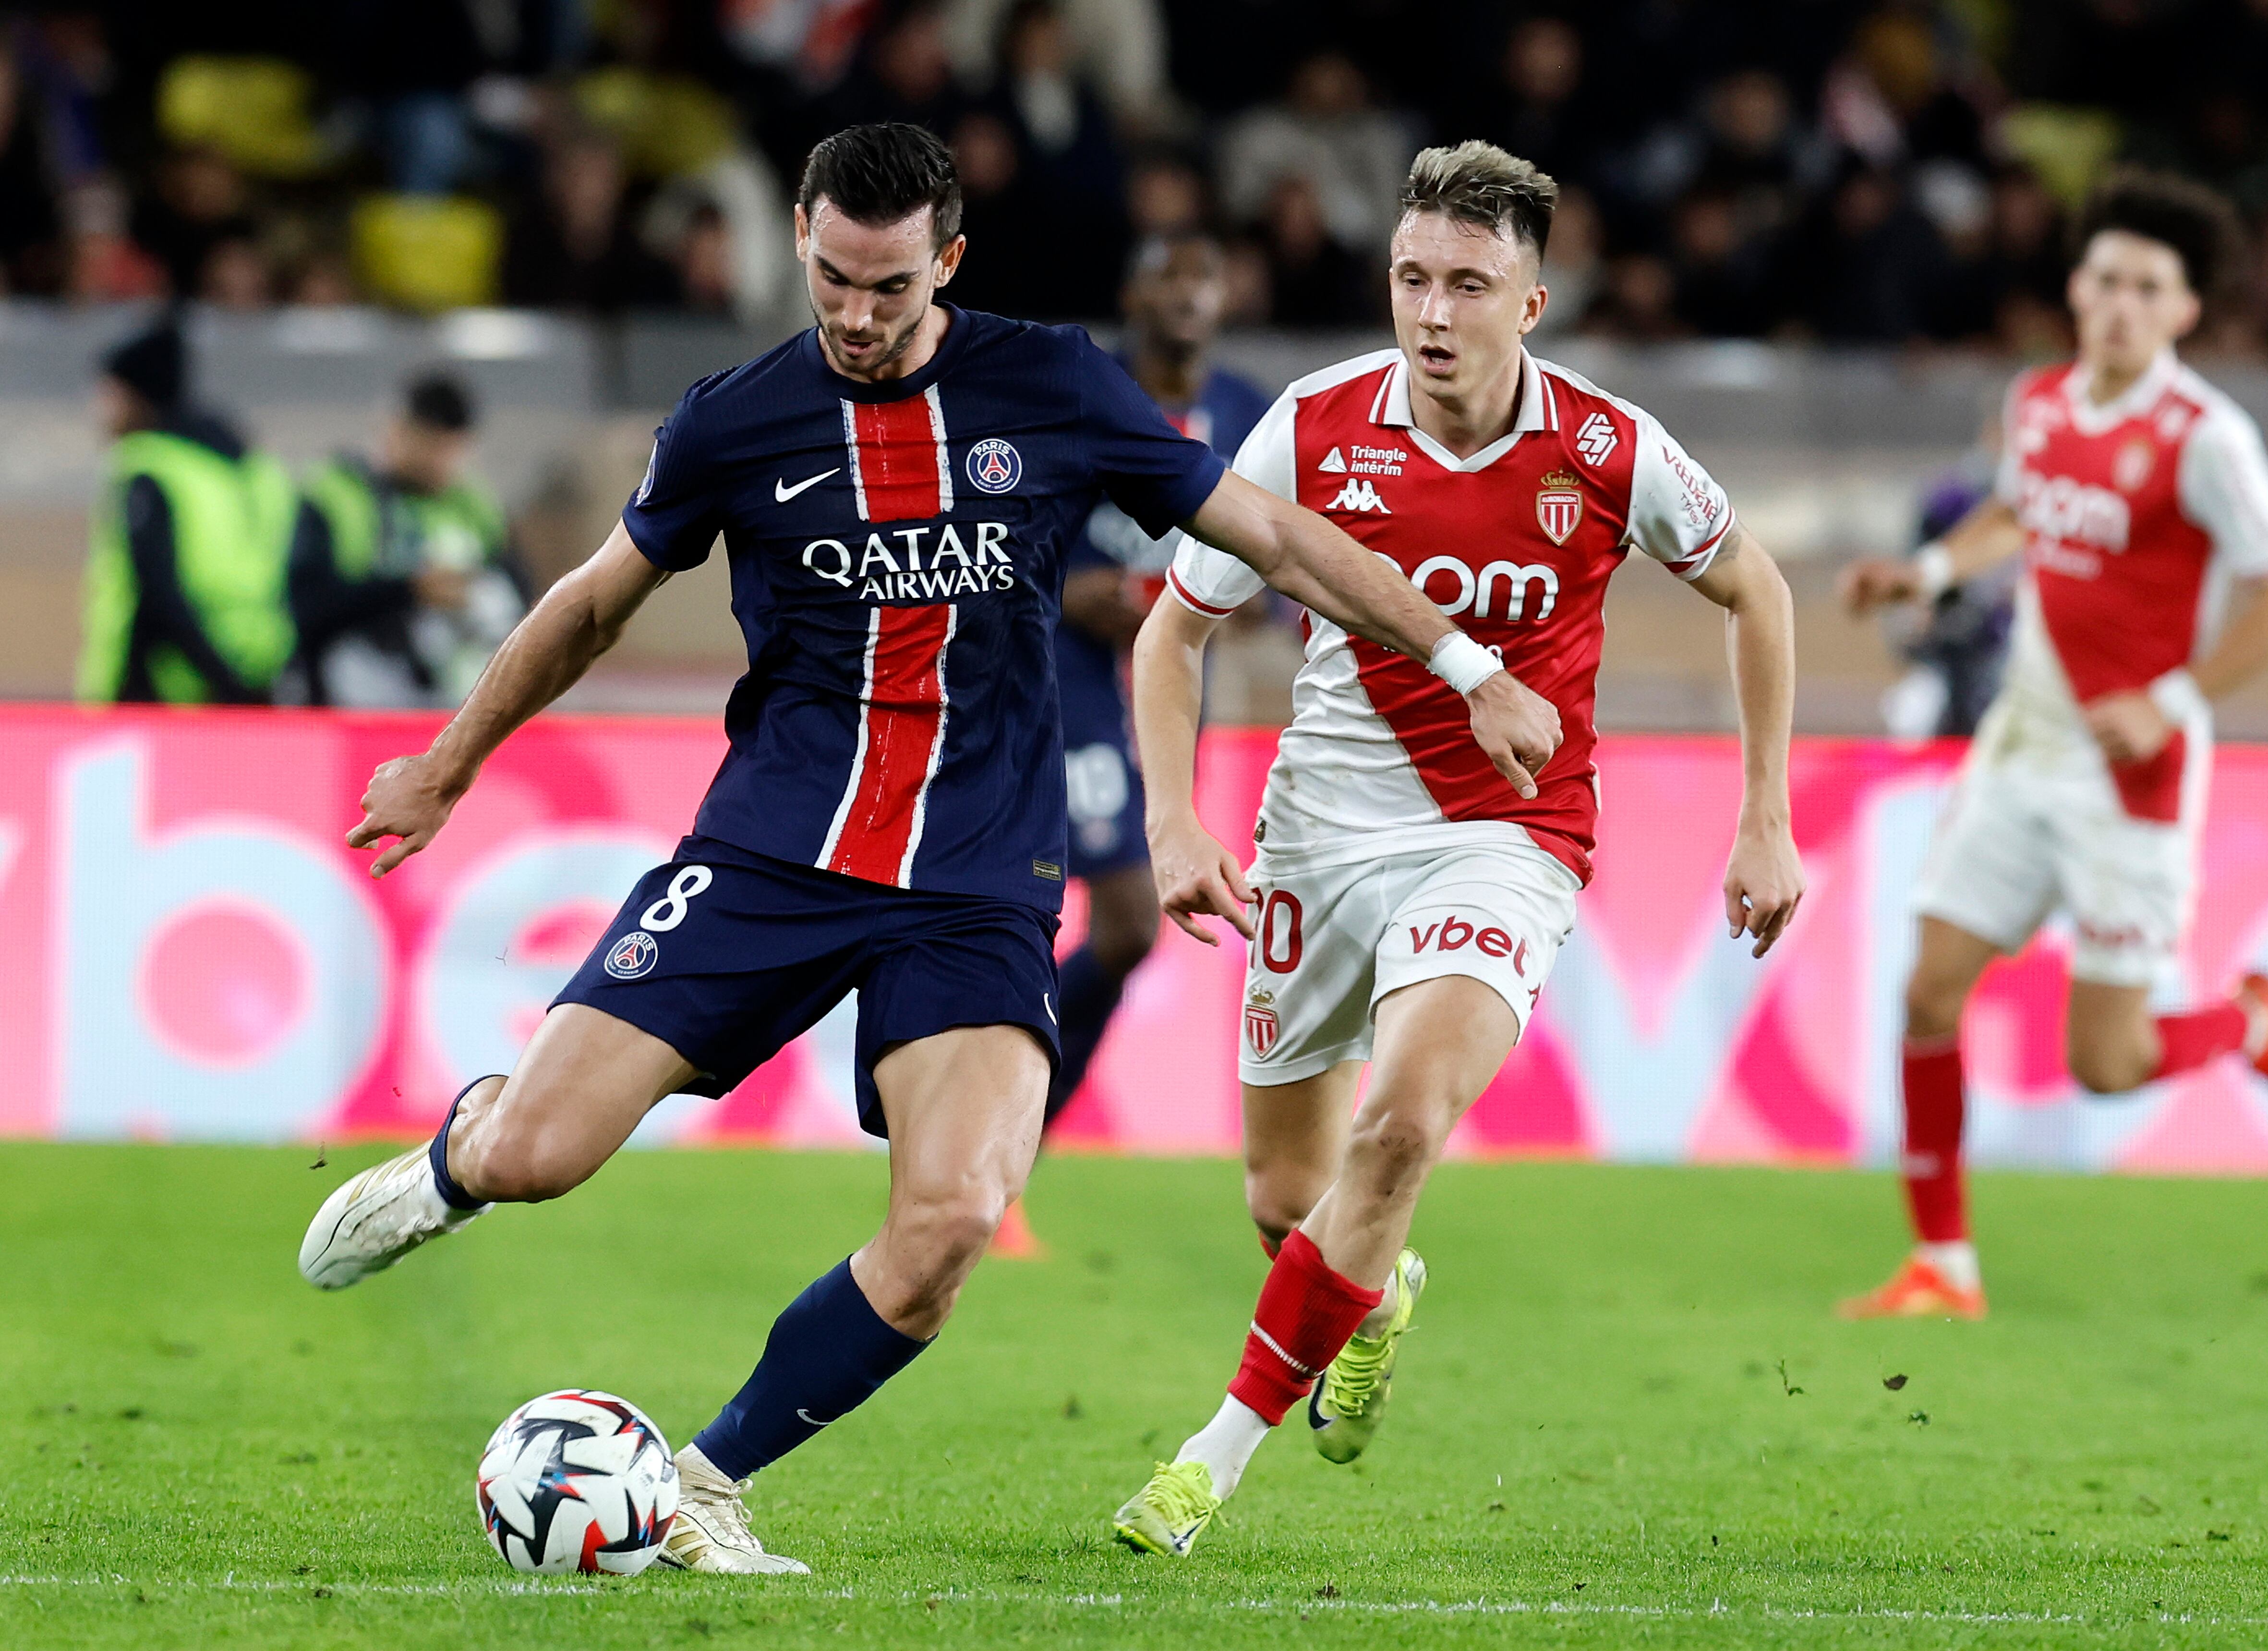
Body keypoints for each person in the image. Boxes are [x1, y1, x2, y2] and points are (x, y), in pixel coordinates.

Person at [295, 122, 1561, 1574]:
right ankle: (465, 1149)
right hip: (773, 852)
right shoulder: (736, 420)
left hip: (973, 881)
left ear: (946, 263)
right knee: (538, 1156)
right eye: (831, 277)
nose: (853, 313)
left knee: (956, 1217)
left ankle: (706, 1482)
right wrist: (449, 765)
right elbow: (593, 603)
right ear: (799, 243)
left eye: (888, 288)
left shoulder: (1050, 384)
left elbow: (1270, 534)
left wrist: (1468, 667)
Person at [1108, 140, 1806, 1558]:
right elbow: (1173, 627)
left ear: (1531, 303)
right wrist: (1173, 817)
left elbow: (1755, 586)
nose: (1432, 313)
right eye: (1411, 279)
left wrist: (1765, 816)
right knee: (1285, 1202)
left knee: (1402, 1126)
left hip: (1507, 836)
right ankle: (1374, 1294)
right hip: (1317, 833)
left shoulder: (1606, 449)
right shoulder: (1309, 429)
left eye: (1468, 285)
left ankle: (1205, 1464)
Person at [1836, 170, 2268, 1322]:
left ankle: (2251, 1023)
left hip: (2131, 776)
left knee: (2107, 1066)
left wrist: (2172, 696)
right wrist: (1933, 571)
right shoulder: (2040, 400)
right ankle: (1942, 1268)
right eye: (2104, 278)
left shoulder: (2206, 438)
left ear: (2184, 312)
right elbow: (2019, 509)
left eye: (2146, 288)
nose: (2117, 303)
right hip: (2023, 748)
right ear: (2074, 286)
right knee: (1929, 993)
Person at [1049, 231, 1271, 1121]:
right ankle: (1004, 1124)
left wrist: (1196, 602)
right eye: (1166, 277)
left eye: (1204, 275)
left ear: (1226, 296)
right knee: (1128, 916)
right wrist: (1068, 590)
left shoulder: (1249, 415)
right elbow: (1018, 535)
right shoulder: (1086, 392)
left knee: (1124, 930)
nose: (1186, 294)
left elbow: (1271, 575)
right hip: (1067, 677)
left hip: (1174, 688)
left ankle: (1011, 1132)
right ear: (1132, 298)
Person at [77, 317, 295, 705]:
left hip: (163, 690)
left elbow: (158, 592)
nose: (100, 410)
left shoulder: (148, 467)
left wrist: (220, 678)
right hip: (257, 670)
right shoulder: (253, 467)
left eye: (109, 394)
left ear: (137, 397)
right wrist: (242, 687)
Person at [288, 372, 527, 708]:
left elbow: (523, 600)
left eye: (452, 448)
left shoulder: (474, 507)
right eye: (429, 443)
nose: (439, 461)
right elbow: (308, 608)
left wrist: (476, 593)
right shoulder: (337, 495)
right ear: (395, 428)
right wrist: (409, 591)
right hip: (350, 709)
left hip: (451, 711)